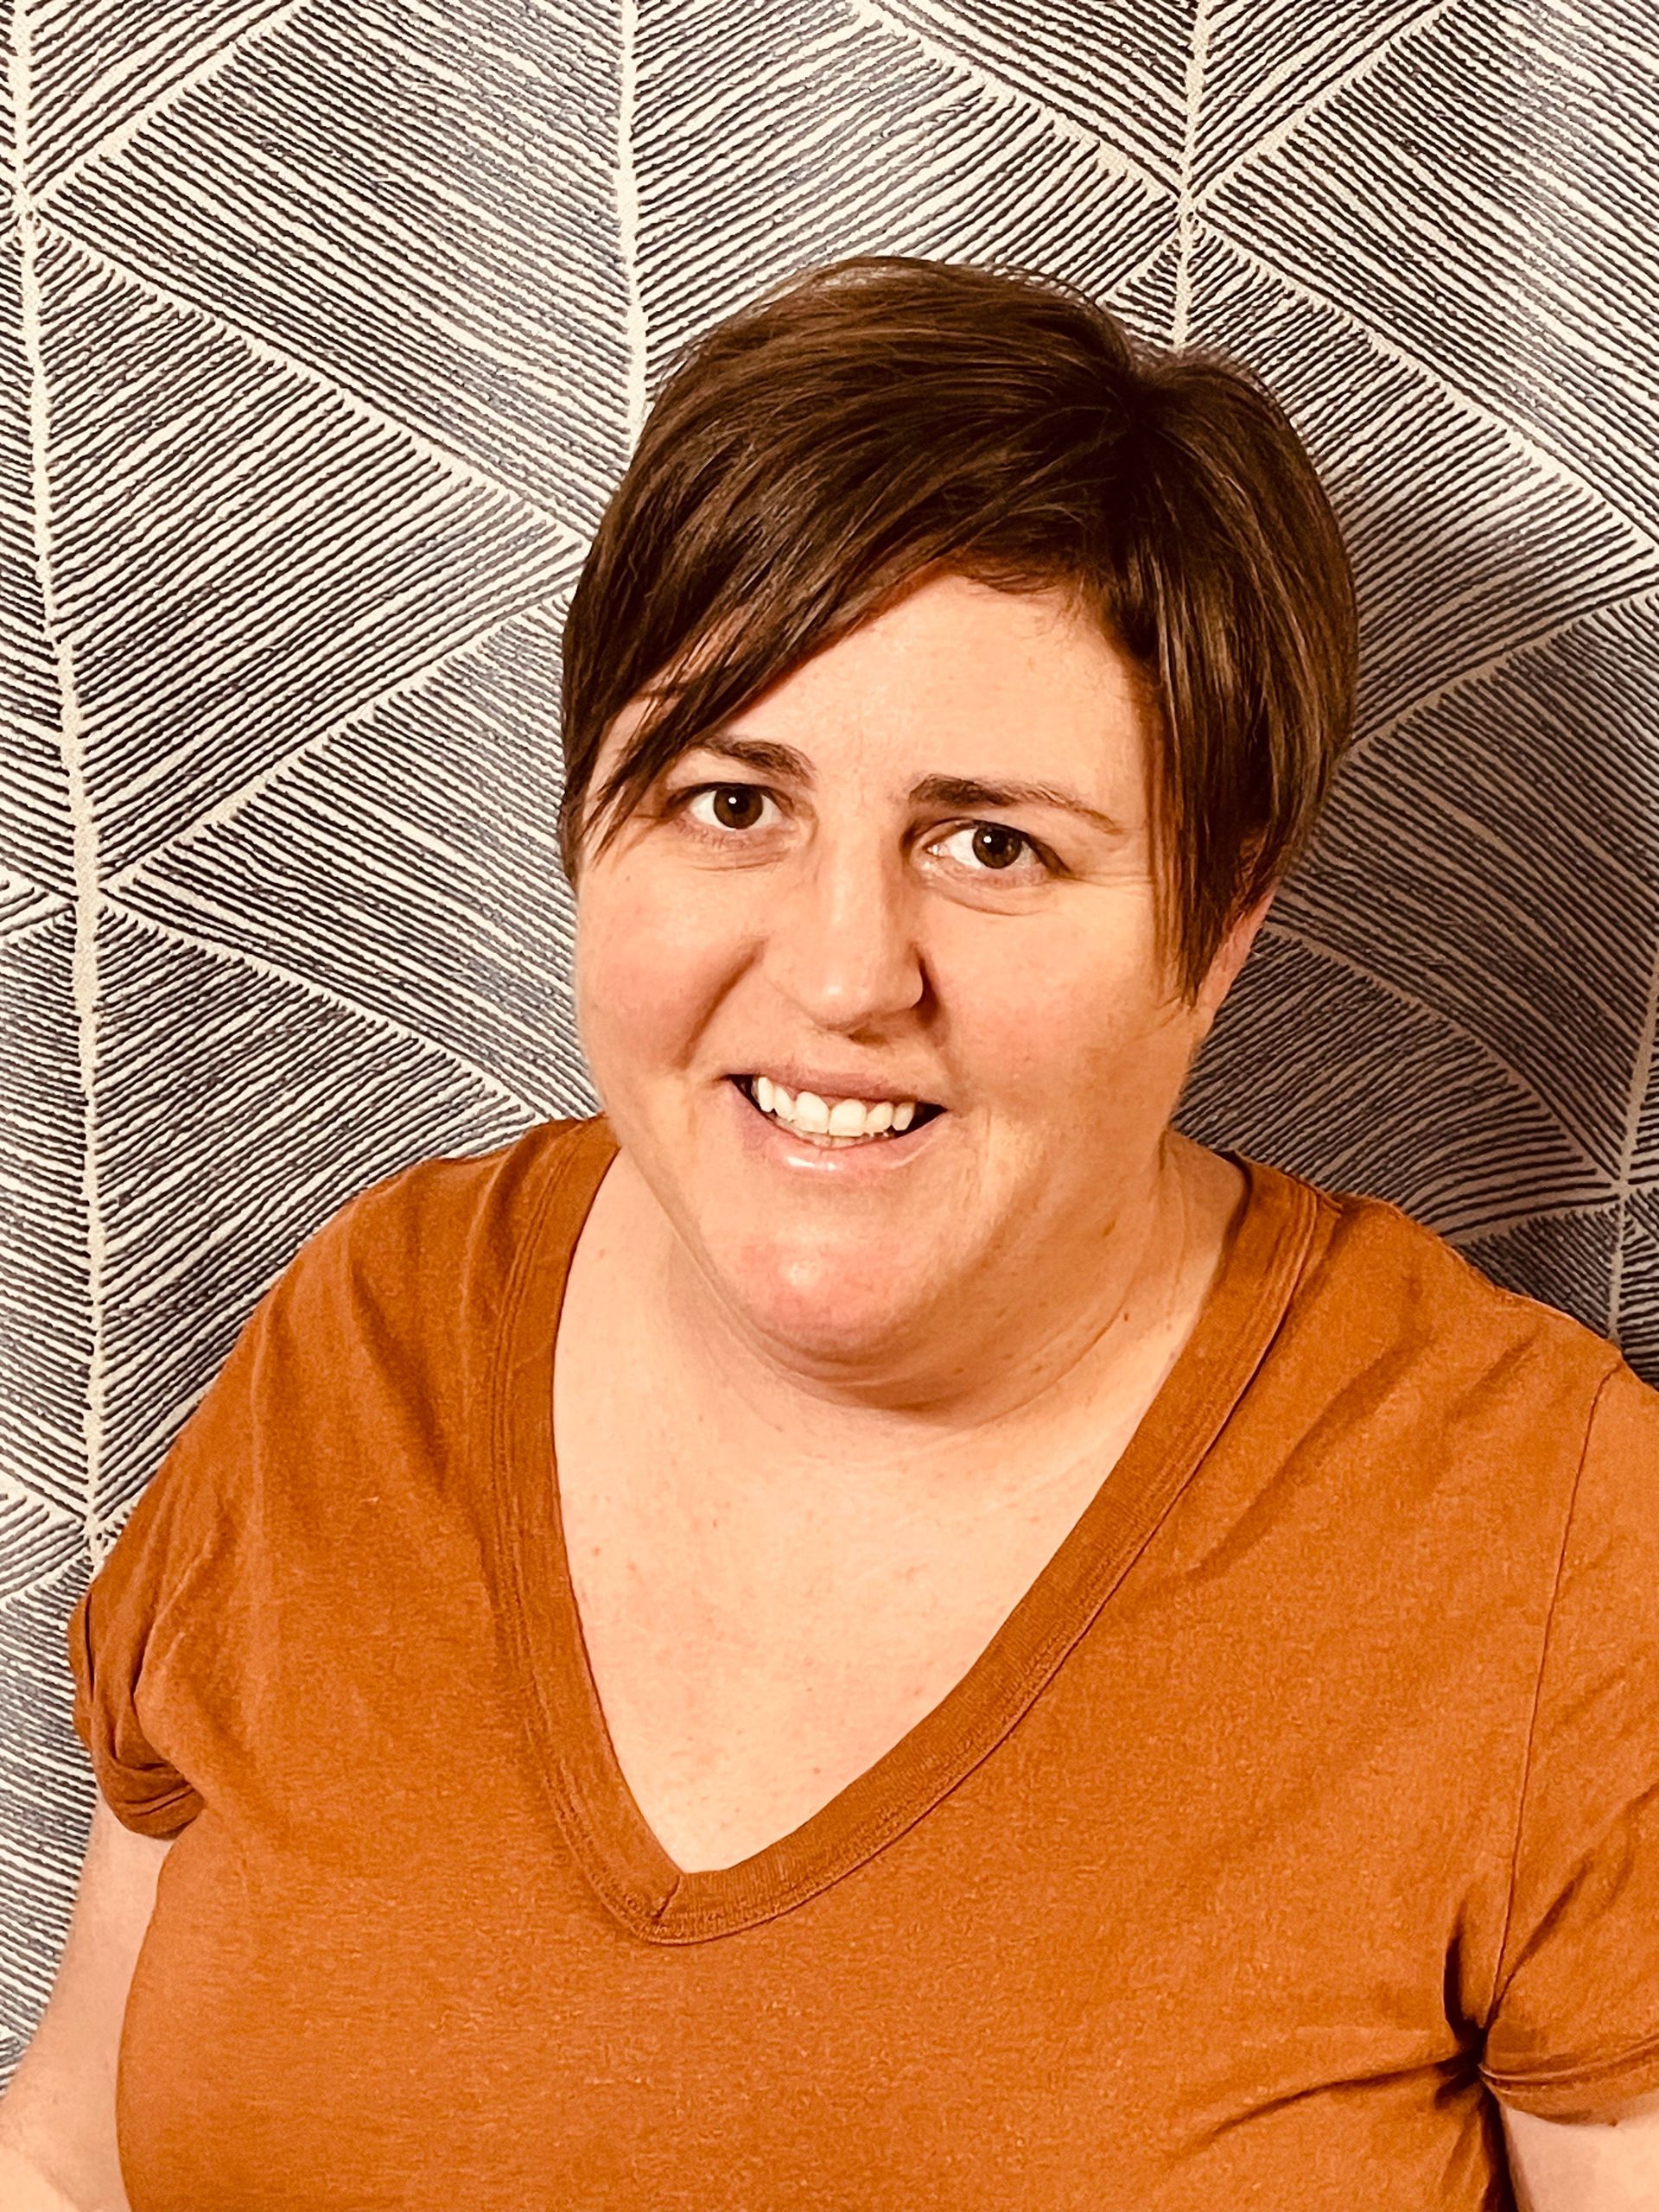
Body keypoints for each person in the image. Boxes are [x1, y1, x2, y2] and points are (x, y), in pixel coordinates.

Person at [1, 254, 1656, 2212]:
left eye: (993, 842)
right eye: (729, 800)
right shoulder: (373, 1330)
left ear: (1217, 929)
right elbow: (80, 2150)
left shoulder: (1539, 1527)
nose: (848, 971)